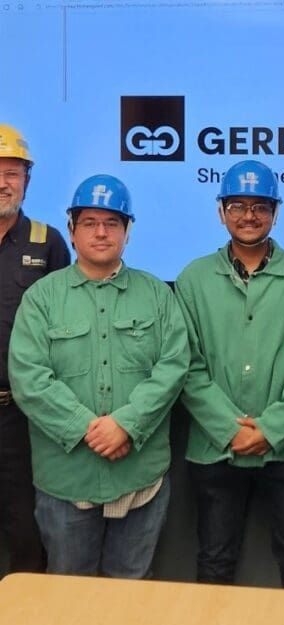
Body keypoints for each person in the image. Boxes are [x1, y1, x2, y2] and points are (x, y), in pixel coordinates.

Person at [8, 174, 190, 578]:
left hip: (140, 478)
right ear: (71, 231)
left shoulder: (157, 294)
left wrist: (126, 425)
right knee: (70, 601)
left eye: (112, 223)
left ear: (128, 231)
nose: (101, 233)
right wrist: (88, 428)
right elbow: (29, 377)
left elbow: (174, 366)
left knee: (129, 597)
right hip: (66, 479)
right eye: (89, 222)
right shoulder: (42, 297)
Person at [176, 160, 284, 589]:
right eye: (237, 205)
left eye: (260, 206)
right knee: (215, 561)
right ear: (220, 210)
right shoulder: (192, 279)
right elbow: (187, 365)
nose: (248, 215)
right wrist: (230, 429)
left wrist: (271, 429)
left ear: (275, 212)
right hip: (216, 448)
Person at [0, 124, 70, 574]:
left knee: (28, 535)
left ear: (28, 179)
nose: (3, 181)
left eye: (13, 172)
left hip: (21, 420)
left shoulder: (48, 243)